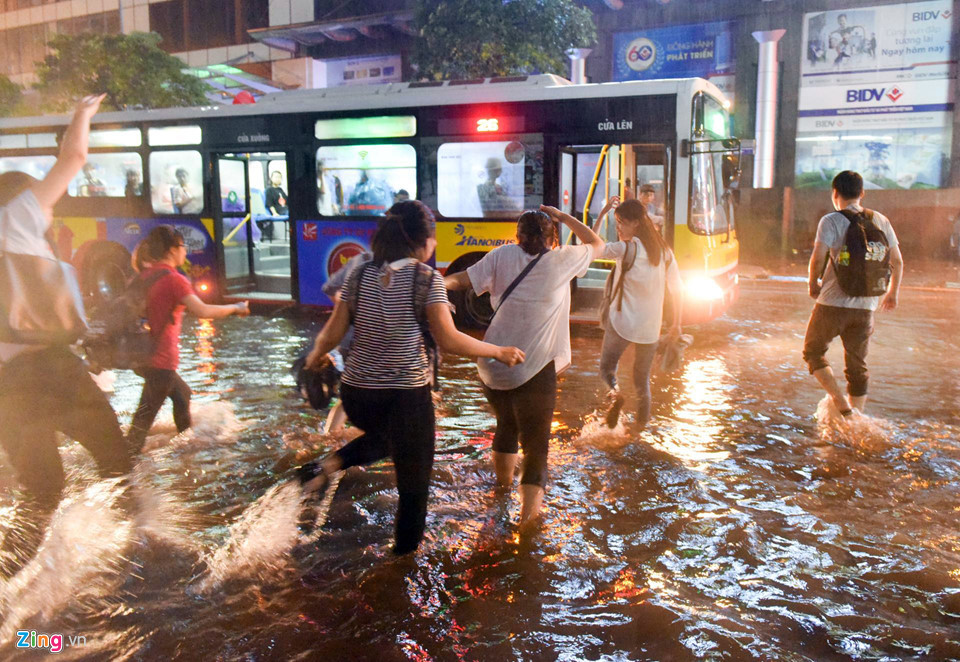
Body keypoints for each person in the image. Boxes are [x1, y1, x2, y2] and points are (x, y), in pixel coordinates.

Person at [300, 201, 524, 555]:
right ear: (423, 242)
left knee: (391, 437)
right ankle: (401, 565)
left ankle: (327, 466)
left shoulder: (358, 273)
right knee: (413, 489)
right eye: (433, 240)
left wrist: (314, 358)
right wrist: (497, 350)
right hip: (404, 396)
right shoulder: (426, 278)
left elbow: (331, 334)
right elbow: (448, 340)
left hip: (357, 395)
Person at [0, 95, 135, 578]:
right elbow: (73, 158)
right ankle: (137, 555)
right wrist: (83, 114)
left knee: (39, 492)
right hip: (52, 370)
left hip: (6, 386)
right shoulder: (16, 214)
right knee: (116, 461)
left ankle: (7, 594)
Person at [445, 206, 603, 528]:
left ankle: (501, 492)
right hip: (530, 368)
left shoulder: (502, 256)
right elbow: (596, 243)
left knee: (506, 424)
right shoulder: (562, 260)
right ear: (552, 238)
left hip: (492, 365)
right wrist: (564, 217)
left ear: (517, 238)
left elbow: (461, 280)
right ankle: (528, 525)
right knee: (536, 446)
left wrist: (432, 284)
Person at [126, 226, 250, 452]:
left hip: (140, 357)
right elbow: (202, 311)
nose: (186, 252)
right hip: (160, 361)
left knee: (183, 394)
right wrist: (236, 308)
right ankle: (121, 474)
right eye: (183, 247)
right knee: (139, 429)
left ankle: (186, 451)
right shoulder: (174, 279)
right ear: (173, 250)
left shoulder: (144, 276)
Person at [803, 170, 903, 417]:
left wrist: (812, 284)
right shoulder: (881, 220)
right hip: (867, 306)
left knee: (813, 351)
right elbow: (897, 261)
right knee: (857, 367)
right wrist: (892, 294)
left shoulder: (831, 221)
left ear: (834, 193)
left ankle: (841, 404)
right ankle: (856, 419)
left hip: (832, 303)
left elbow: (818, 257)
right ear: (862, 193)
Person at [594, 196, 682, 430]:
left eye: (621, 222)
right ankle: (640, 429)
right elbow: (677, 290)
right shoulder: (664, 252)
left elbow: (591, 247)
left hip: (622, 322)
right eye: (616, 222)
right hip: (649, 328)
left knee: (606, 369)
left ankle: (615, 395)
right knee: (642, 381)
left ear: (636, 224)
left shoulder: (626, 248)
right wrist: (676, 324)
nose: (618, 227)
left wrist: (601, 214)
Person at [261, 170, 287, 242]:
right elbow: (270, 203)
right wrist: (274, 213)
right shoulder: (269, 190)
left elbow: (286, 200)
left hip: (285, 208)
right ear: (271, 178)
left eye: (279, 177)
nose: (277, 179)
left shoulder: (280, 190)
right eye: (276, 177)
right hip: (278, 209)